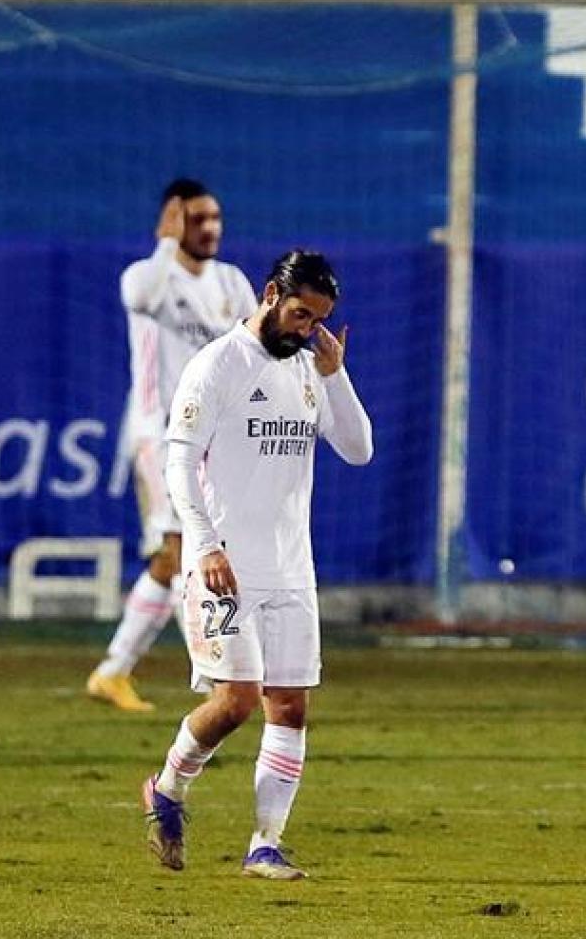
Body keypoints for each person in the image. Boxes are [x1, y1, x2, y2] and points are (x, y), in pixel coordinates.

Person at [140, 250, 372, 880]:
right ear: (271, 294)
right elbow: (179, 463)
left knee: (290, 707)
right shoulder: (217, 365)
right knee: (238, 700)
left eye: (317, 320)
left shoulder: (307, 369)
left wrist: (334, 374)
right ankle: (167, 788)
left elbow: (358, 448)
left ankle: (265, 845)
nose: (306, 329)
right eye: (300, 314)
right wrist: (206, 544)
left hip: (292, 569)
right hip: (225, 566)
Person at [89, 178, 259, 713]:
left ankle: (114, 671)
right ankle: (212, 678)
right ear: (172, 221)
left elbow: (255, 352)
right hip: (161, 432)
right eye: (196, 219)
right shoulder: (148, 277)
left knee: (178, 556)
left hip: (219, 435)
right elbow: (137, 297)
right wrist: (165, 243)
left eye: (214, 219)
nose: (209, 229)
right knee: (184, 551)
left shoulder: (232, 283)